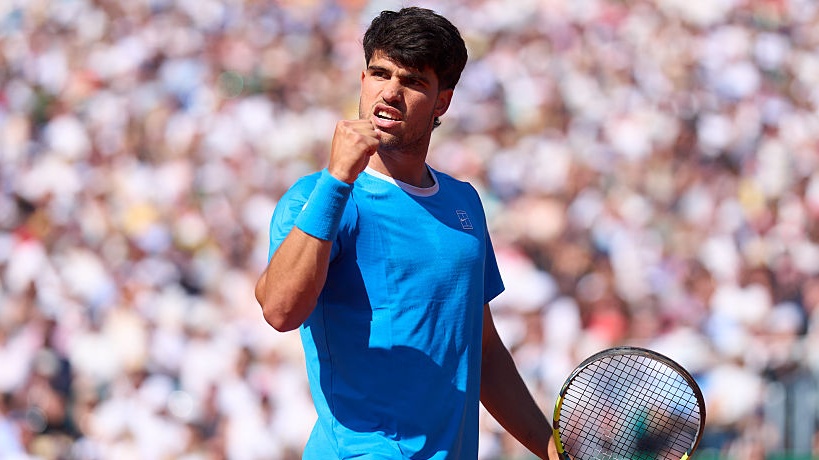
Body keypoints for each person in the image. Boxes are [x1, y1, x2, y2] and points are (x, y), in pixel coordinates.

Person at [255, 7, 556, 459]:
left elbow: (484, 349)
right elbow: (279, 311)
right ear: (362, 80)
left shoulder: (463, 202)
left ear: (442, 102)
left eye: (412, 81)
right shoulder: (315, 197)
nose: (390, 92)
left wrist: (548, 448)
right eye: (380, 73)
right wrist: (338, 178)